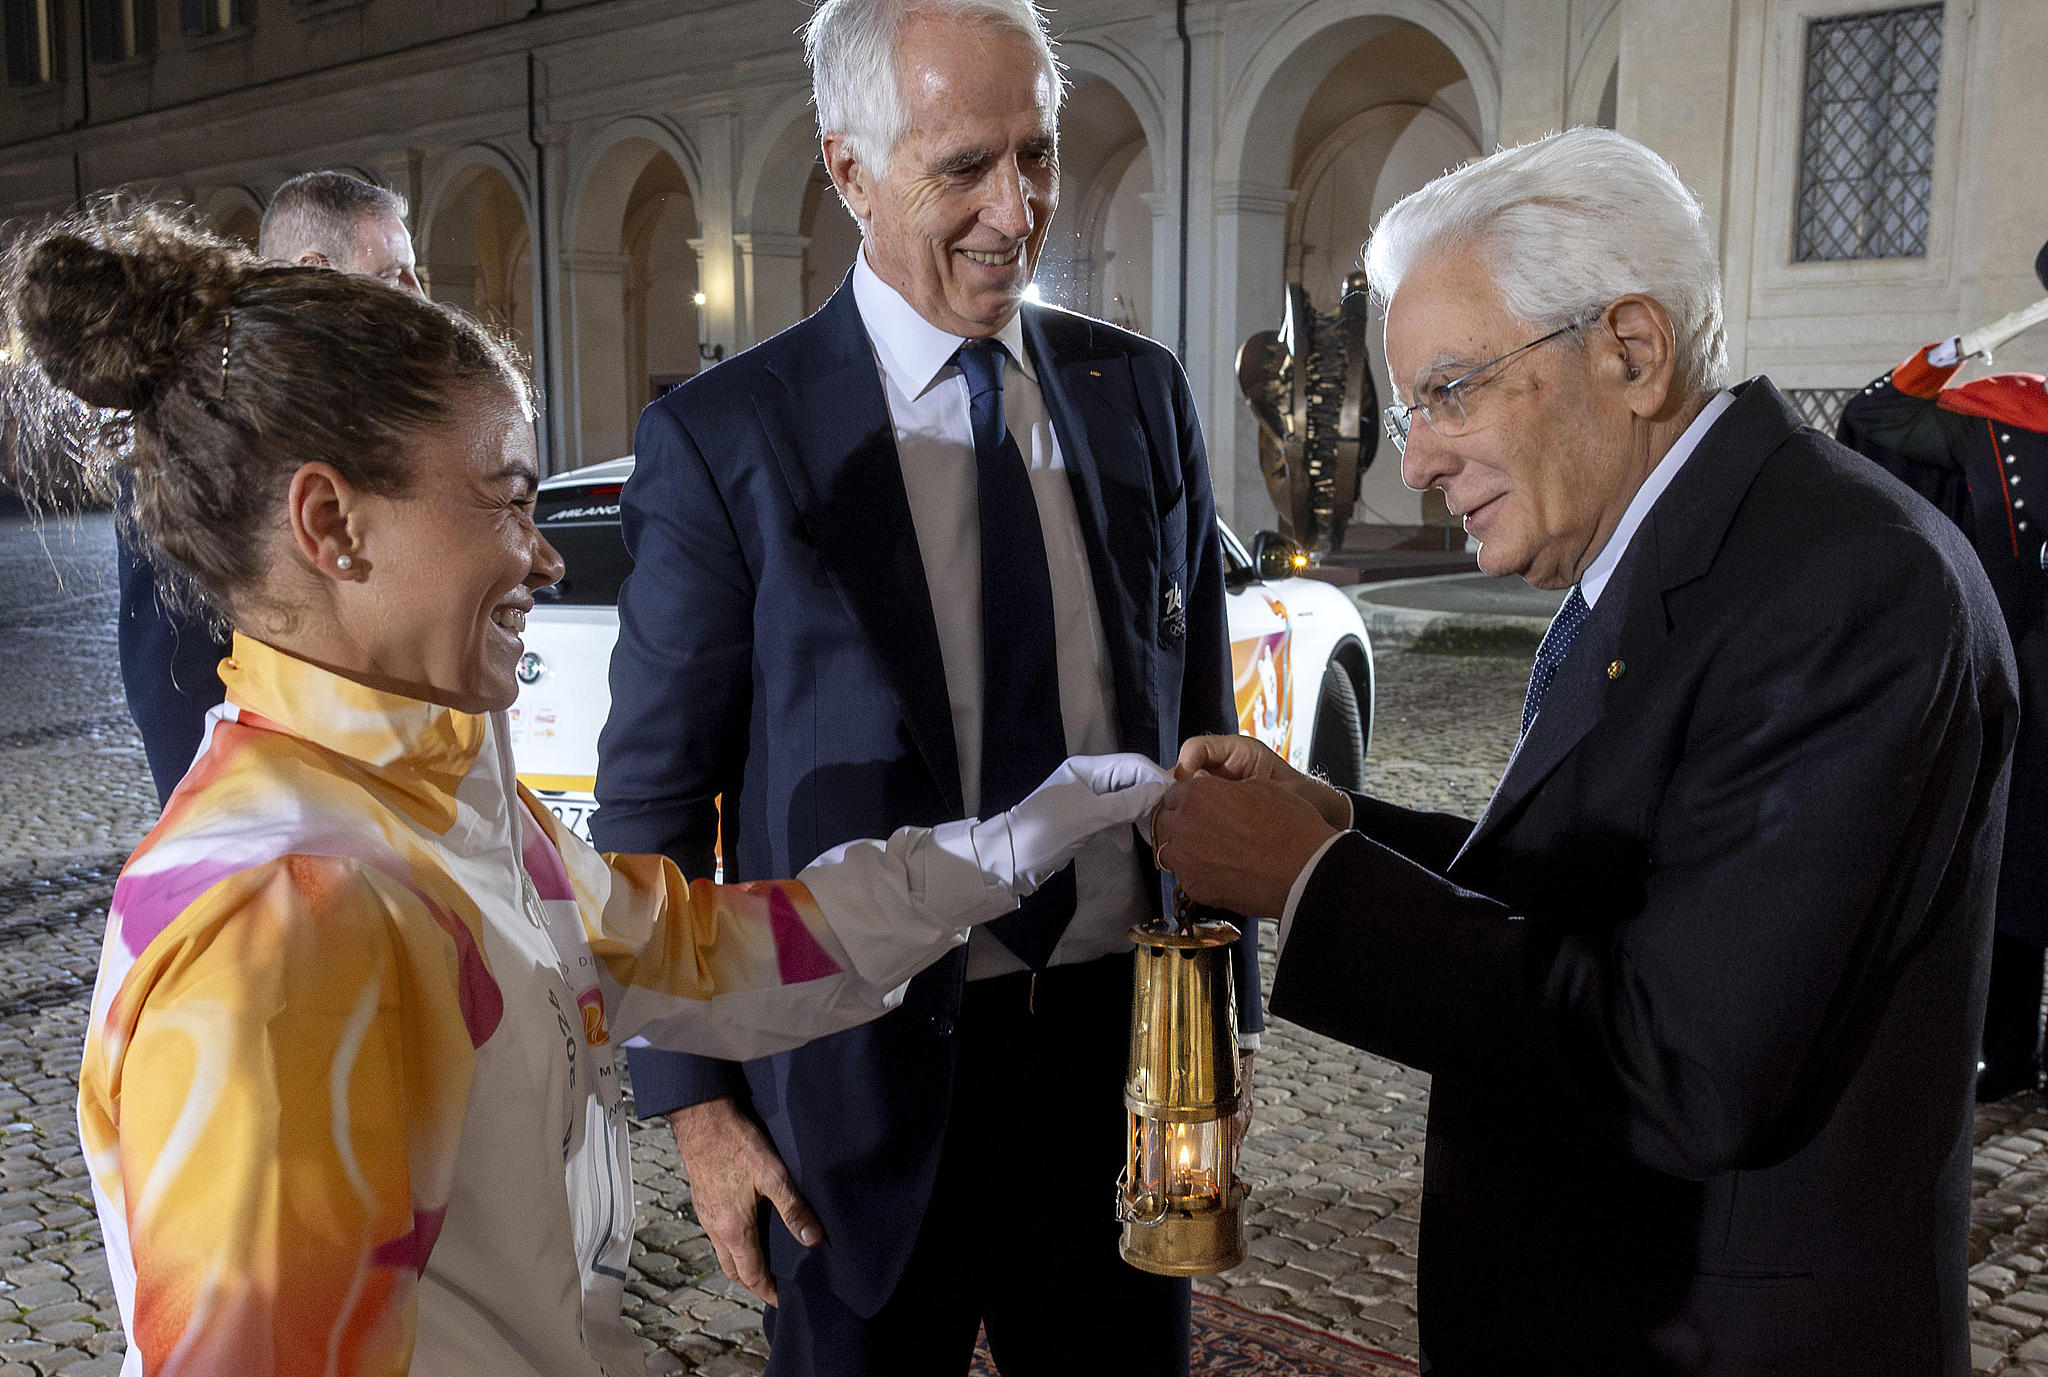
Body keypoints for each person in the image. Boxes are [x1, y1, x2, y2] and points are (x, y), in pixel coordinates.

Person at [2, 204, 1169, 1376]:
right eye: (508, 499)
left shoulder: (424, 800)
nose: (545, 553)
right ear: (330, 525)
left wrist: (1011, 847)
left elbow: (696, 956)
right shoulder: (290, 914)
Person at [1150, 127, 2017, 1376]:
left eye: (1450, 390)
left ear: (1629, 350)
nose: (1416, 459)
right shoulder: (1686, 546)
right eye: (1407, 409)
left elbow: (1686, 1065)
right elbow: (1600, 884)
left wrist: (1307, 883)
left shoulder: (1845, 586)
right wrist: (1337, 828)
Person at [591, 1, 1245, 1371]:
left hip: (1110, 1067)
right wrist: (701, 1111)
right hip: (853, 1088)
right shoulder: (727, 441)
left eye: (1040, 153)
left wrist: (1217, 1037)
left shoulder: (1141, 395)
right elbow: (651, 807)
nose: (1019, 209)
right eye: (965, 168)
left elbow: (1200, 734)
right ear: (849, 172)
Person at [117, 169, 423, 804]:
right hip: (274, 797)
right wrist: (224, 814)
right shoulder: (200, 414)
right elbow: (170, 661)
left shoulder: (383, 402)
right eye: (394, 274)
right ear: (316, 270)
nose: (418, 296)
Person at [1837, 254, 2048, 1101]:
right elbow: (1875, 418)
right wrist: (1968, 345)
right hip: (2027, 673)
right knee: (2020, 861)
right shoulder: (2008, 413)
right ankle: (2004, 1046)